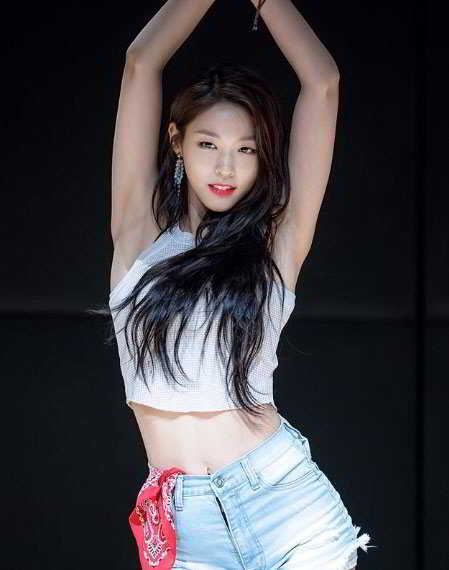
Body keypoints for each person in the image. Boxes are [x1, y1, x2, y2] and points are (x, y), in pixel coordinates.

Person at [99, 0, 376, 568]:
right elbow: (141, 62)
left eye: (245, 149)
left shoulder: (276, 243)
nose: (226, 168)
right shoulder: (138, 236)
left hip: (287, 504)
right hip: (186, 525)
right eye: (208, 144)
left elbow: (322, 83)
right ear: (176, 141)